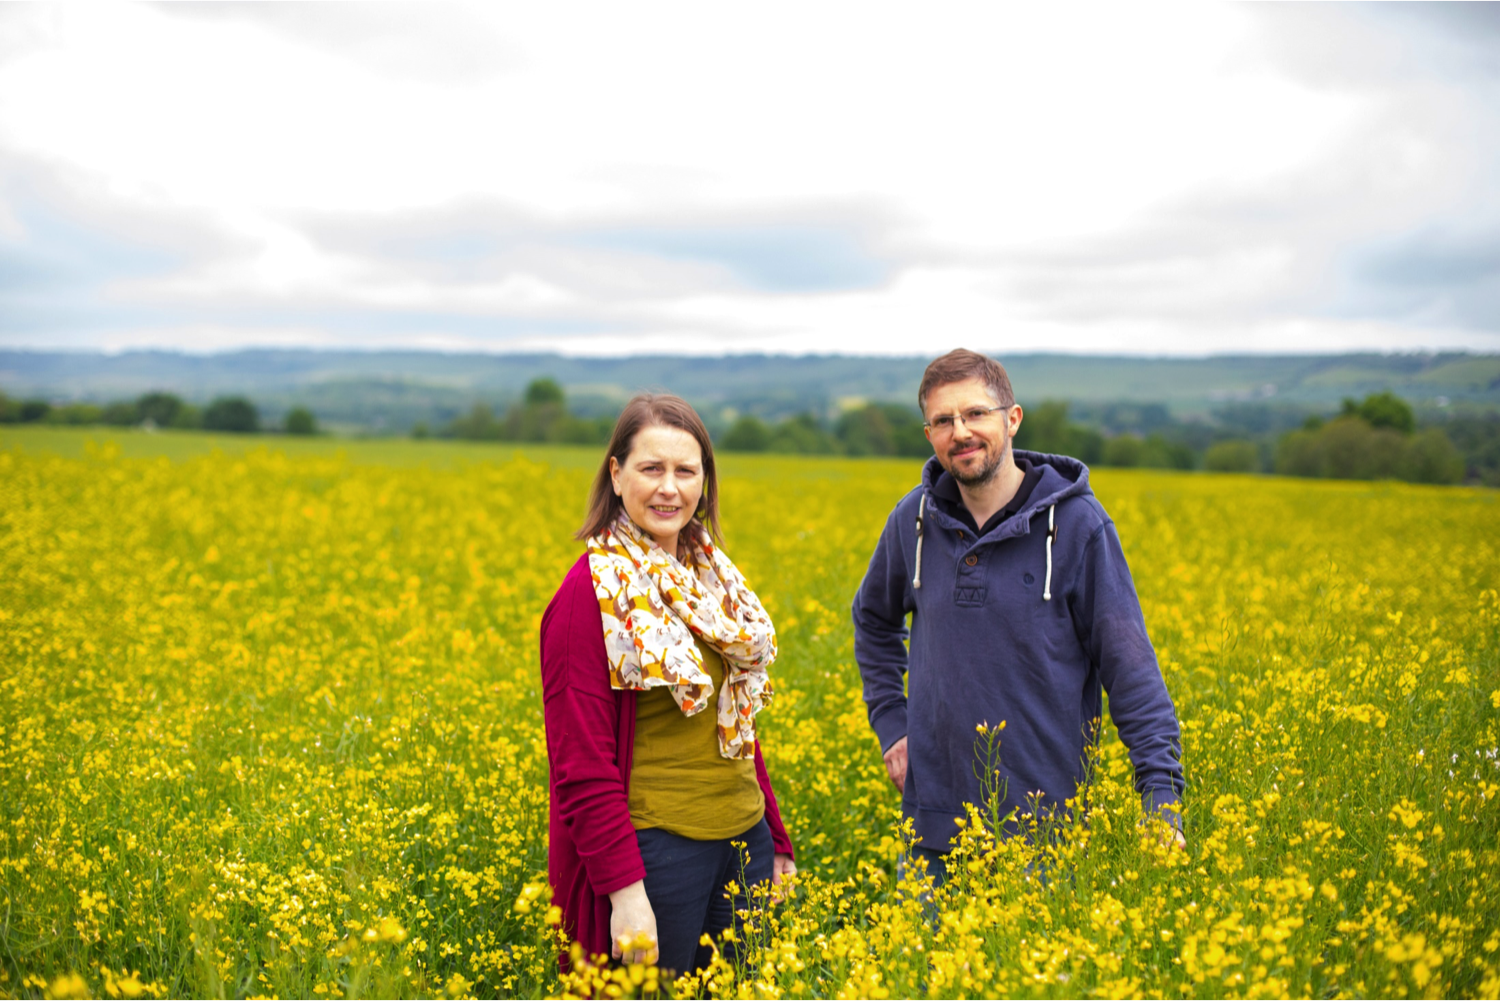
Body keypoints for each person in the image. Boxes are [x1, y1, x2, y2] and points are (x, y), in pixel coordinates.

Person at [852, 349, 1184, 884]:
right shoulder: (911, 520)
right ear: (930, 434)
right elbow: (872, 620)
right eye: (943, 421)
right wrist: (893, 726)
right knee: (920, 971)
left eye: (975, 414)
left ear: (1012, 418)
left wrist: (1161, 796)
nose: (960, 432)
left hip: (1044, 842)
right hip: (932, 837)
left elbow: (1129, 666)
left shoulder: (1078, 526)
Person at [540, 392, 796, 974]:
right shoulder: (590, 594)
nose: (669, 488)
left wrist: (774, 836)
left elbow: (734, 724)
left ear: (705, 481)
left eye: (686, 471)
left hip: (743, 844)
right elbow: (580, 763)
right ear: (616, 473)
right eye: (651, 469)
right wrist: (625, 894)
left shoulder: (712, 582)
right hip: (657, 856)